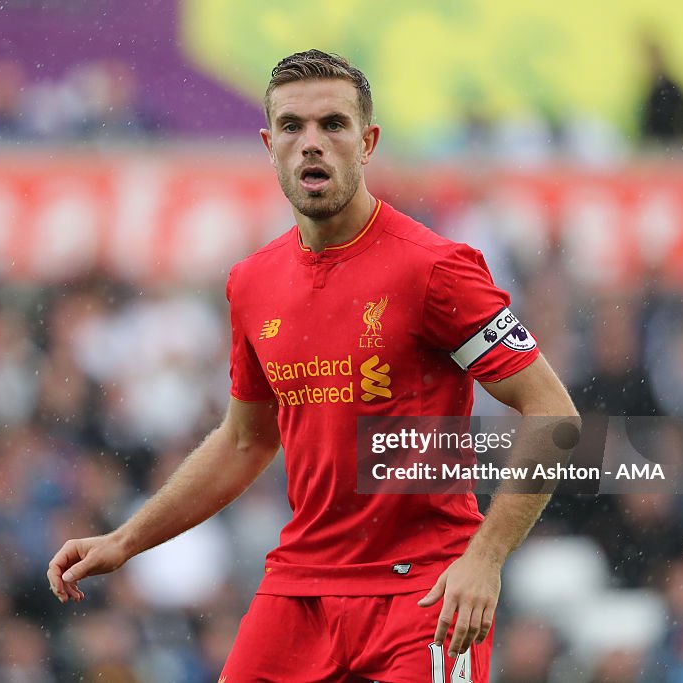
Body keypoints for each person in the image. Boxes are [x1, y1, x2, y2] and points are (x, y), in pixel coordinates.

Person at [48, 49, 578, 682]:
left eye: (334, 124)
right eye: (294, 127)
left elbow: (552, 413)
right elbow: (245, 440)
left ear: (368, 141)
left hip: (423, 589)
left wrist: (485, 559)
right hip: (300, 587)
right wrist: (124, 540)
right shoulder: (252, 283)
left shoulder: (435, 269)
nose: (312, 143)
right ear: (270, 145)